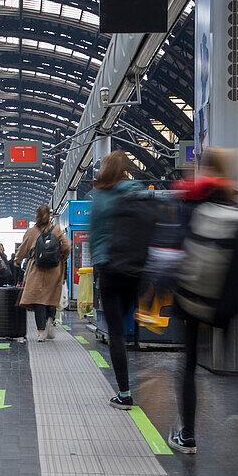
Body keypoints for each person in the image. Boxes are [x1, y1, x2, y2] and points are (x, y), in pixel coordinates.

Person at [168, 149, 238, 451]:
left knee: (188, 365)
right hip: (227, 299)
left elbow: (178, 246)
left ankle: (187, 434)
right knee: (230, 370)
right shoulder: (235, 202)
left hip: (192, 296)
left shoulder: (190, 199)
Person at [88, 151, 150, 409]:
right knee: (130, 321)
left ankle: (124, 393)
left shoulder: (101, 197)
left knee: (116, 333)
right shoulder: (138, 192)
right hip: (136, 270)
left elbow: (95, 237)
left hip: (110, 268)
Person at [15, 205, 69, 343]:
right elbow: (67, 246)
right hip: (54, 270)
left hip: (36, 268)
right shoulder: (56, 230)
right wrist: (62, 257)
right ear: (50, 215)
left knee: (39, 301)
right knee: (50, 298)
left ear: (37, 216)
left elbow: (23, 249)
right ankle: (50, 319)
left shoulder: (31, 231)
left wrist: (17, 261)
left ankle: (40, 333)